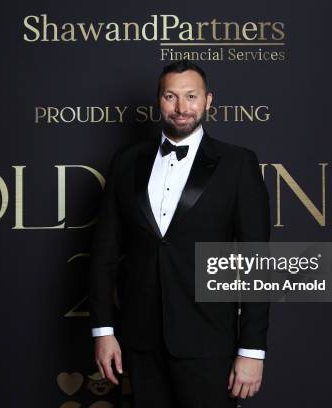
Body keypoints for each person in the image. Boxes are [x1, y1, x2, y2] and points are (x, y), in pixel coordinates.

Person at [89, 59, 271, 407]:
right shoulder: (126, 160)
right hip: (139, 344)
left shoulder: (238, 164)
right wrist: (104, 331)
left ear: (208, 101)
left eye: (191, 96)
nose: (182, 107)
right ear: (159, 101)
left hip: (208, 342)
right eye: (171, 96)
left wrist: (252, 350)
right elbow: (104, 254)